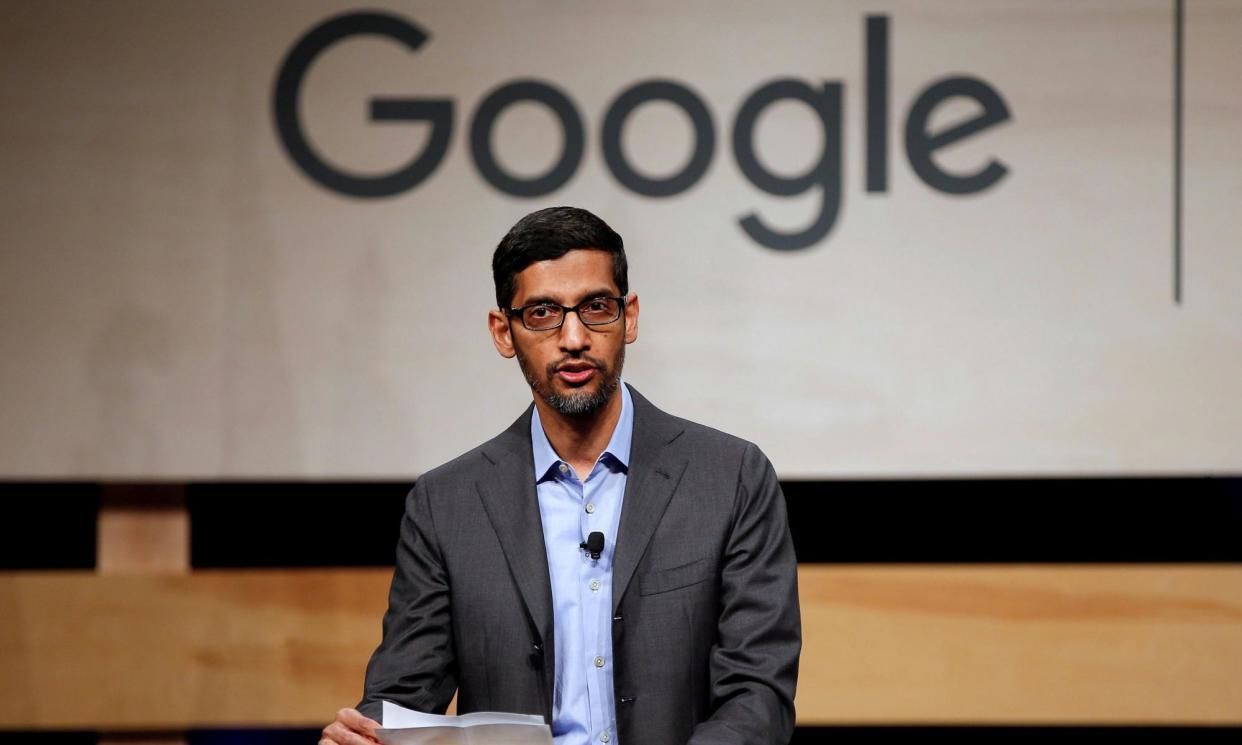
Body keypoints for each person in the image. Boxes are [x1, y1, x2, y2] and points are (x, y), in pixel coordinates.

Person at [320, 206, 800, 745]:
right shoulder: (447, 505)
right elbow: (405, 695)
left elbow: (758, 695)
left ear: (630, 317)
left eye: (596, 307)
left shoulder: (729, 478)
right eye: (544, 313)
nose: (573, 338)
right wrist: (363, 737)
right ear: (504, 332)